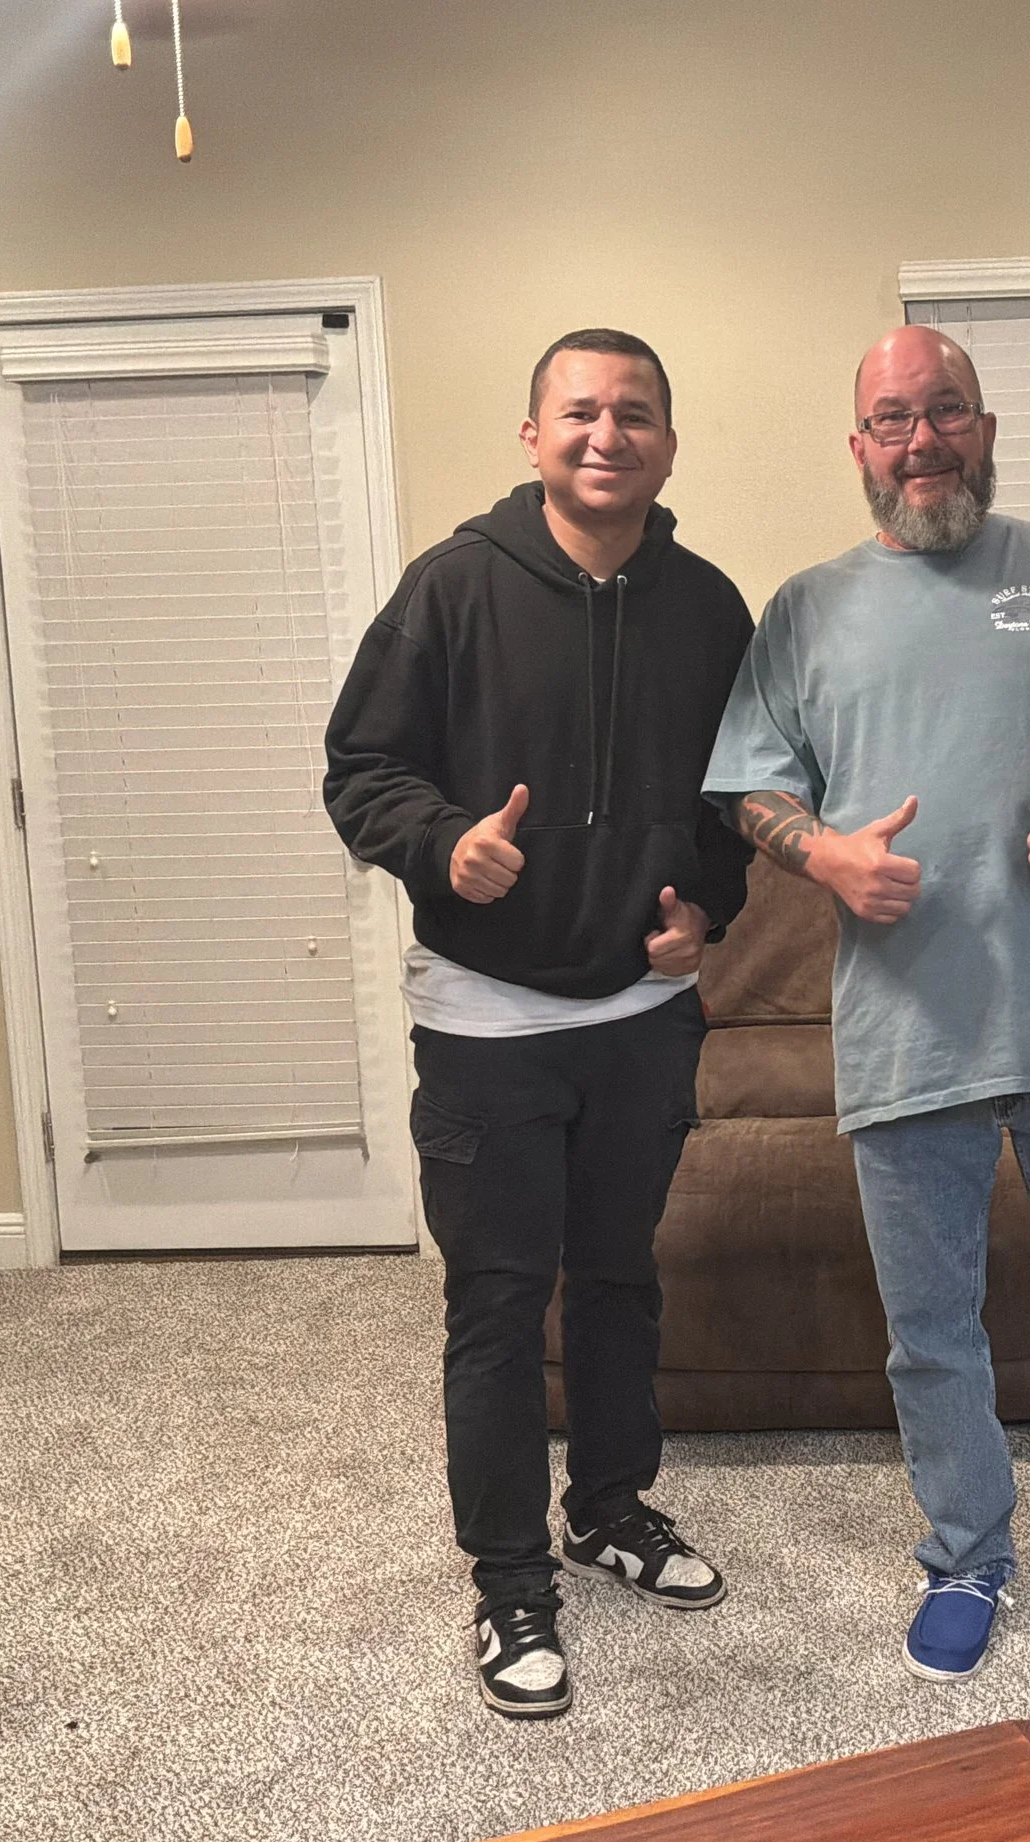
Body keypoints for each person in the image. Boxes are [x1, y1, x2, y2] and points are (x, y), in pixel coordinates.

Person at [704, 326, 1030, 1705]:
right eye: (893, 419)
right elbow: (752, 782)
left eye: (945, 412)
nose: (921, 440)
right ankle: (964, 1556)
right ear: (859, 447)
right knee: (931, 1324)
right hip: (905, 1027)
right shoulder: (806, 608)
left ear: (984, 428)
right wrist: (824, 855)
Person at [323, 328, 754, 1720]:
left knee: (619, 1278)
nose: (605, 435)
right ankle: (510, 1579)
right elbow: (361, 767)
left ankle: (611, 1509)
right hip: (485, 1022)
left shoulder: (709, 606)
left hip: (644, 1012)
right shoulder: (451, 588)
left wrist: (712, 911)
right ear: (533, 436)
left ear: (668, 443)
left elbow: (740, 794)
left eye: (635, 414)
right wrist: (443, 844)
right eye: (579, 412)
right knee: (500, 1305)